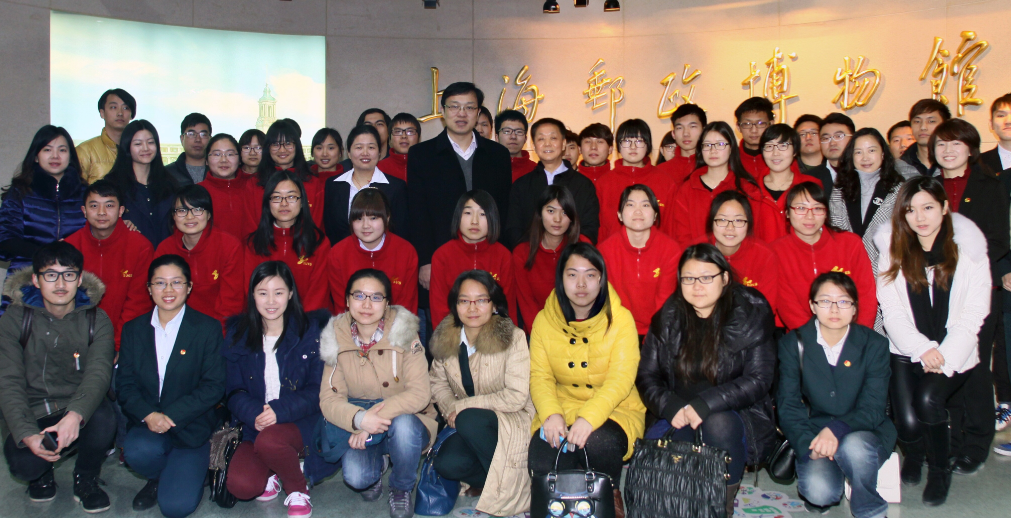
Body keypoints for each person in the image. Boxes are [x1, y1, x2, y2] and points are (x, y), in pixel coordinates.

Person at [874, 177, 990, 506]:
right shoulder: (893, 251)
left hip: (955, 349)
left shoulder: (970, 252)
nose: (920, 217)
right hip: (907, 348)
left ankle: (940, 471)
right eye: (910, 210)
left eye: (928, 207)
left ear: (944, 208)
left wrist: (944, 354)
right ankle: (914, 455)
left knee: (927, 401)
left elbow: (975, 312)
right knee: (908, 425)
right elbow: (891, 310)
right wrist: (921, 347)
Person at [637, 243, 776, 516]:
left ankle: (720, 506)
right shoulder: (667, 317)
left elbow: (759, 378)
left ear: (724, 278)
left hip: (735, 413)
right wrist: (669, 405)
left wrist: (705, 404)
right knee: (671, 466)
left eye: (706, 277)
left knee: (718, 424)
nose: (697, 286)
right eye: (688, 278)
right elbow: (647, 376)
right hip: (678, 411)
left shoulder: (751, 314)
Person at [528, 243, 646, 516]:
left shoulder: (621, 319)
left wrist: (589, 418)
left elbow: (620, 379)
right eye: (572, 275)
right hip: (562, 404)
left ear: (601, 279)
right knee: (541, 459)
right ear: (561, 278)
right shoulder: (544, 320)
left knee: (598, 443)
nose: (581, 284)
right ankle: (572, 492)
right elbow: (540, 376)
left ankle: (610, 492)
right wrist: (551, 413)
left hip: (614, 408)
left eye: (590, 275)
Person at [0, 242, 116, 512]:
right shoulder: (14, 320)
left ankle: (86, 478)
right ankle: (41, 476)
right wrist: (27, 434)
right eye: (51, 275)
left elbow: (98, 373)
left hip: (79, 405)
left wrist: (75, 416)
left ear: (79, 278)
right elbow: (8, 381)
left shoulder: (97, 319)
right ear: (36, 279)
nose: (61, 283)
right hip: (34, 409)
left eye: (69, 274)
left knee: (104, 419)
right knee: (25, 465)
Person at [318, 269, 437, 518]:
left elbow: (420, 393)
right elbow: (329, 399)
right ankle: (379, 463)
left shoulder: (405, 332)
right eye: (359, 295)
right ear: (347, 300)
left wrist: (373, 416)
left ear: (387, 303)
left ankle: (401, 488)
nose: (366, 304)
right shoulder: (334, 336)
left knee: (404, 426)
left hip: (405, 417)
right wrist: (360, 419)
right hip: (361, 420)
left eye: (376, 297)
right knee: (357, 478)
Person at [927, 118, 1010, 475]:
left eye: (955, 144)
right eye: (941, 144)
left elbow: (999, 240)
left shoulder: (989, 186)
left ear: (971, 149)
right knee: (946, 364)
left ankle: (976, 443)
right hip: (935, 290)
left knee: (974, 368)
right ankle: (952, 441)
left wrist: (958, 266)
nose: (947, 151)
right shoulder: (927, 185)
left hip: (976, 289)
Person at [777, 272, 895, 518]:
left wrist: (837, 430)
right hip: (815, 434)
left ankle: (868, 506)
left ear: (854, 308)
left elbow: (873, 407)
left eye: (843, 301)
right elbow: (788, 404)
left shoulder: (874, 344)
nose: (834, 309)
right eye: (825, 301)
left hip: (864, 432)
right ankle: (838, 471)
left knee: (853, 448)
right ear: (812, 306)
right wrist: (807, 445)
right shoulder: (793, 344)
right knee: (819, 493)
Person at [117, 254, 226, 517]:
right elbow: (125, 385)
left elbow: (214, 386)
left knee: (176, 507)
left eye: (176, 282)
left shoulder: (207, 328)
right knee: (138, 451)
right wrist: (149, 415)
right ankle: (159, 477)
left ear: (189, 287)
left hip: (191, 428)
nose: (168, 290)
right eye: (160, 283)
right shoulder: (133, 330)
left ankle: (186, 473)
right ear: (149, 288)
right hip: (149, 427)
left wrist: (169, 415)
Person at [223, 261, 334, 516]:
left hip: (302, 421)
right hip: (256, 423)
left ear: (291, 293)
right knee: (242, 486)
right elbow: (233, 390)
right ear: (252, 295)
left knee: (271, 441)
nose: (271, 301)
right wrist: (255, 414)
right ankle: (277, 467)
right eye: (263, 293)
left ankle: (297, 488)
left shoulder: (312, 332)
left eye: (279, 292)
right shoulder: (238, 334)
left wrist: (278, 411)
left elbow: (318, 389)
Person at [406, 82, 511, 339]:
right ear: (443, 111)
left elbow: (503, 209)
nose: (461, 113)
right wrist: (426, 261)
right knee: (444, 330)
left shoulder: (497, 154)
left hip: (488, 257)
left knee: (490, 330)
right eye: (454, 106)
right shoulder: (421, 155)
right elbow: (417, 213)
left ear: (478, 113)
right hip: (442, 259)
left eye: (469, 107)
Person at [429, 270, 534, 517]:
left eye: (481, 300)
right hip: (466, 423)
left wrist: (462, 407)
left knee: (469, 418)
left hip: (511, 419)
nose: (472, 308)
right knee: (447, 464)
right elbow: (438, 383)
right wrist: (450, 409)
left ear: (494, 304)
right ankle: (496, 480)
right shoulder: (446, 338)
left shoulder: (514, 338)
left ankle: (511, 492)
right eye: (464, 300)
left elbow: (516, 396)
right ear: (455, 306)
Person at [0, 125, 88, 308]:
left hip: (73, 282)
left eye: (62, 150)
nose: (55, 156)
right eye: (47, 150)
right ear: (36, 156)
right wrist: (49, 255)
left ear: (71, 156)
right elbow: (5, 239)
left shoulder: (86, 194)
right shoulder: (20, 192)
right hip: (25, 280)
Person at [774, 182, 875, 330]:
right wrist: (815, 339)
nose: (810, 216)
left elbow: (866, 297)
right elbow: (788, 307)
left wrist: (856, 337)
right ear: (787, 213)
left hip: (853, 334)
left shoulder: (850, 243)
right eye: (801, 208)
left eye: (817, 208)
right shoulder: (776, 251)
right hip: (805, 336)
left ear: (826, 212)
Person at [65, 180, 154, 348]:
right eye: (94, 206)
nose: (101, 212)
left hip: (125, 342)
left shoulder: (140, 247)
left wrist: (118, 345)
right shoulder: (70, 247)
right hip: (76, 342)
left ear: (121, 210)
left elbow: (138, 304)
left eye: (109, 205)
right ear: (84, 211)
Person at [598, 185, 681, 338]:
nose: (638, 211)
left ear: (655, 215)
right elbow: (606, 300)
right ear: (619, 215)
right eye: (630, 205)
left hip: (658, 331)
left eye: (645, 205)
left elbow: (665, 301)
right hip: (618, 330)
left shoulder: (670, 250)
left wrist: (652, 339)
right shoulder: (605, 251)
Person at [829, 128, 911, 280]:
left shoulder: (899, 189)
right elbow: (836, 232)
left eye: (871, 150)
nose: (865, 158)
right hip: (847, 269)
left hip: (887, 271)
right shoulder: (840, 189)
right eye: (858, 152)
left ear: (883, 153)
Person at [154, 185, 244, 324]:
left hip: (218, 328)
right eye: (182, 211)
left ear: (209, 214)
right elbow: (160, 297)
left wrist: (213, 334)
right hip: (177, 326)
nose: (189, 217)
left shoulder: (229, 246)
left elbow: (231, 304)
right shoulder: (165, 249)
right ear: (173, 216)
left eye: (197, 210)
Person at [505, 117, 600, 247]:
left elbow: (590, 228)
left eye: (553, 138)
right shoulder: (521, 185)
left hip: (571, 255)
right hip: (530, 255)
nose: (547, 144)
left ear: (564, 143)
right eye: (541, 139)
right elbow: (513, 228)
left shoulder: (583, 185)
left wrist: (569, 252)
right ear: (534, 146)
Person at [246, 171, 330, 312]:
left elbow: (318, 296)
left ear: (302, 202)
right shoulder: (254, 244)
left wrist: (300, 324)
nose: (284, 203)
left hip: (308, 321)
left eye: (291, 197)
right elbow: (251, 292)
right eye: (276, 197)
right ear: (268, 203)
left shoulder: (318, 242)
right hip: (265, 319)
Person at [326, 189, 418, 314]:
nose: (365, 225)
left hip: (395, 323)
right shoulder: (338, 253)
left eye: (373, 218)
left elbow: (406, 306)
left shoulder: (406, 251)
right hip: (352, 323)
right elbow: (341, 306)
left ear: (387, 218)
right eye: (359, 218)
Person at [430, 191, 514, 326]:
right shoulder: (442, 255)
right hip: (454, 331)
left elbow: (507, 306)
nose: (474, 221)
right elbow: (438, 307)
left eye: (482, 214)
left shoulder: (503, 255)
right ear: (458, 216)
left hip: (493, 332)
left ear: (492, 218)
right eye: (468, 213)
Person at [669, 121, 761, 245]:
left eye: (720, 144)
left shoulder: (747, 189)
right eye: (707, 145)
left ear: (731, 148)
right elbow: (682, 237)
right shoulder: (687, 188)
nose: (713, 150)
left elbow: (753, 235)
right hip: (698, 256)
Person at [512, 186, 587, 334]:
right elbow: (527, 306)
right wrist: (546, 338)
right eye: (551, 211)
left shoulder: (583, 247)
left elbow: (589, 299)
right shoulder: (522, 253)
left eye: (564, 212)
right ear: (540, 213)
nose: (557, 219)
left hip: (579, 332)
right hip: (539, 334)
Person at [980, 92, 1011, 439]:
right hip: (995, 269)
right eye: (1001, 115)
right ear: (991, 124)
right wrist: (1001, 268)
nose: (1008, 120)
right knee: (1000, 339)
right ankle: (1005, 400)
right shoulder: (981, 165)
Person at [322, 125, 408, 245]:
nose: (365, 153)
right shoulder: (333, 185)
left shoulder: (396, 187)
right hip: (342, 254)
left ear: (379, 152)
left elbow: (400, 232)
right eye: (359, 147)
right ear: (349, 153)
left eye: (371, 147)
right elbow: (330, 229)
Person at [595, 119, 673, 242]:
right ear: (618, 146)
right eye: (626, 141)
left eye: (639, 141)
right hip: (613, 250)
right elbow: (599, 228)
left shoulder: (665, 181)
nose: (633, 147)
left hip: (656, 250)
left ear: (648, 145)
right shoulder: (604, 183)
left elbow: (670, 226)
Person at [105, 120, 179, 247]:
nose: (145, 148)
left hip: (166, 254)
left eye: (150, 142)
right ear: (127, 147)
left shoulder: (170, 183)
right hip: (130, 253)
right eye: (138, 143)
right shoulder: (112, 184)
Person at [707, 191, 779, 320]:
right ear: (712, 221)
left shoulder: (764, 255)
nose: (730, 227)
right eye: (722, 220)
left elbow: (766, 309)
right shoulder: (696, 253)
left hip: (750, 327)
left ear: (749, 223)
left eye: (738, 220)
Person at [751, 124, 823, 242]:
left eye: (783, 146)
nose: (775, 153)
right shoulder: (750, 189)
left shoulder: (811, 185)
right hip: (761, 253)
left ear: (795, 150)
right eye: (769, 146)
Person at [256, 120, 326, 229]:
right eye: (275, 144)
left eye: (288, 144)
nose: (282, 150)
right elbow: (252, 226)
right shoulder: (255, 183)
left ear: (297, 146)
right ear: (267, 148)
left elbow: (315, 225)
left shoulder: (313, 183)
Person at [198, 133, 256, 241]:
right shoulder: (197, 192)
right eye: (217, 154)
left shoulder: (254, 188)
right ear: (206, 160)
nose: (223, 160)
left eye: (230, 154)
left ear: (239, 160)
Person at [77, 88, 136, 183]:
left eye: (126, 108)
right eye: (113, 107)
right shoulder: (84, 151)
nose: (120, 113)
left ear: (132, 114)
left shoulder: (139, 151)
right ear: (102, 113)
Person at [655, 103, 706, 187]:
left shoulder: (713, 166)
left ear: (704, 131)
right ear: (673, 134)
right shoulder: (660, 171)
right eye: (680, 128)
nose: (686, 133)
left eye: (692, 126)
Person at [805, 112, 855, 192]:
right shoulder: (809, 179)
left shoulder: (865, 171)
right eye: (826, 138)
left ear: (853, 138)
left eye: (838, 136)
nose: (832, 143)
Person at [902, 99, 951, 176]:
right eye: (917, 121)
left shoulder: (957, 163)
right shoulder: (897, 167)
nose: (923, 127)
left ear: (945, 125)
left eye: (931, 121)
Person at [166, 113, 212, 186]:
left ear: (210, 139)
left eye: (203, 134)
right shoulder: (167, 173)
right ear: (182, 139)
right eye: (191, 134)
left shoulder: (218, 172)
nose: (198, 139)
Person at [734, 97, 774, 178]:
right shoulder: (730, 158)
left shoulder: (782, 158)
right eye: (747, 124)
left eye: (760, 123)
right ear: (738, 127)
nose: (754, 130)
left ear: (771, 124)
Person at [377, 113, 422, 182]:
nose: (404, 136)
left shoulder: (429, 166)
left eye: (410, 132)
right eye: (398, 132)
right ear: (390, 137)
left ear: (418, 137)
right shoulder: (379, 168)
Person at [497, 109, 536, 182]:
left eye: (519, 132)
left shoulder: (536, 171)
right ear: (497, 137)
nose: (513, 136)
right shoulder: (486, 167)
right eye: (507, 131)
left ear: (525, 139)